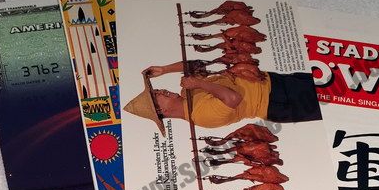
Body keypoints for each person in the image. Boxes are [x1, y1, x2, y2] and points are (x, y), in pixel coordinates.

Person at [123, 61, 321, 134]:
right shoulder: (200, 116)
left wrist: (165, 69)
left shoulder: (187, 93)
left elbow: (198, 65)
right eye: (157, 95)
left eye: (156, 89)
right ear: (162, 111)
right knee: (334, 100)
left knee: (332, 80)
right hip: (278, 101)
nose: (161, 91)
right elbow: (233, 98)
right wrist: (199, 83)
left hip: (275, 81)